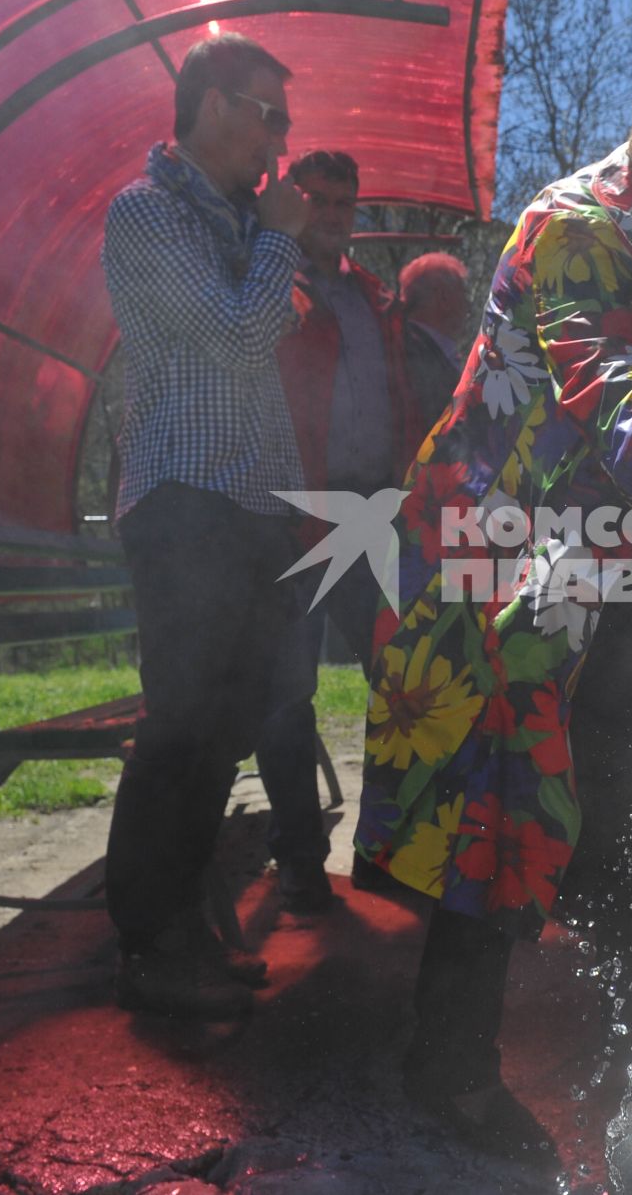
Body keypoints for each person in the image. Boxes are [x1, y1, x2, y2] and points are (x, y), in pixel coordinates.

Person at [353, 44, 632, 1164]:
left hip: (616, 536)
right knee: (497, 791)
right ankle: (447, 1060)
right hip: (501, 543)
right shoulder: (576, 227)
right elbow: (602, 375)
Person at [99, 32, 310, 1018]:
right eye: (269, 112)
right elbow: (232, 337)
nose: (281, 134)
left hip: (252, 504)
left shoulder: (232, 221)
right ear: (213, 105)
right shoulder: (147, 211)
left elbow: (257, 348)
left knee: (226, 728)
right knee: (182, 725)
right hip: (186, 499)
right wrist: (278, 239)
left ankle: (185, 923)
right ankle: (147, 941)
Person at [254, 149, 426, 914]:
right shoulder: (270, 283)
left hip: (374, 509)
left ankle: (387, 847)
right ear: (294, 203)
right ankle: (297, 855)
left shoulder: (373, 297)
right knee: (285, 688)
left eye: (343, 203)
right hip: (296, 509)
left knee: (401, 676)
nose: (330, 215)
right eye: (317, 200)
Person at [397, 250, 474, 425]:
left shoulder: (403, 343)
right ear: (444, 299)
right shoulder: (414, 352)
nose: (468, 307)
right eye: (463, 294)